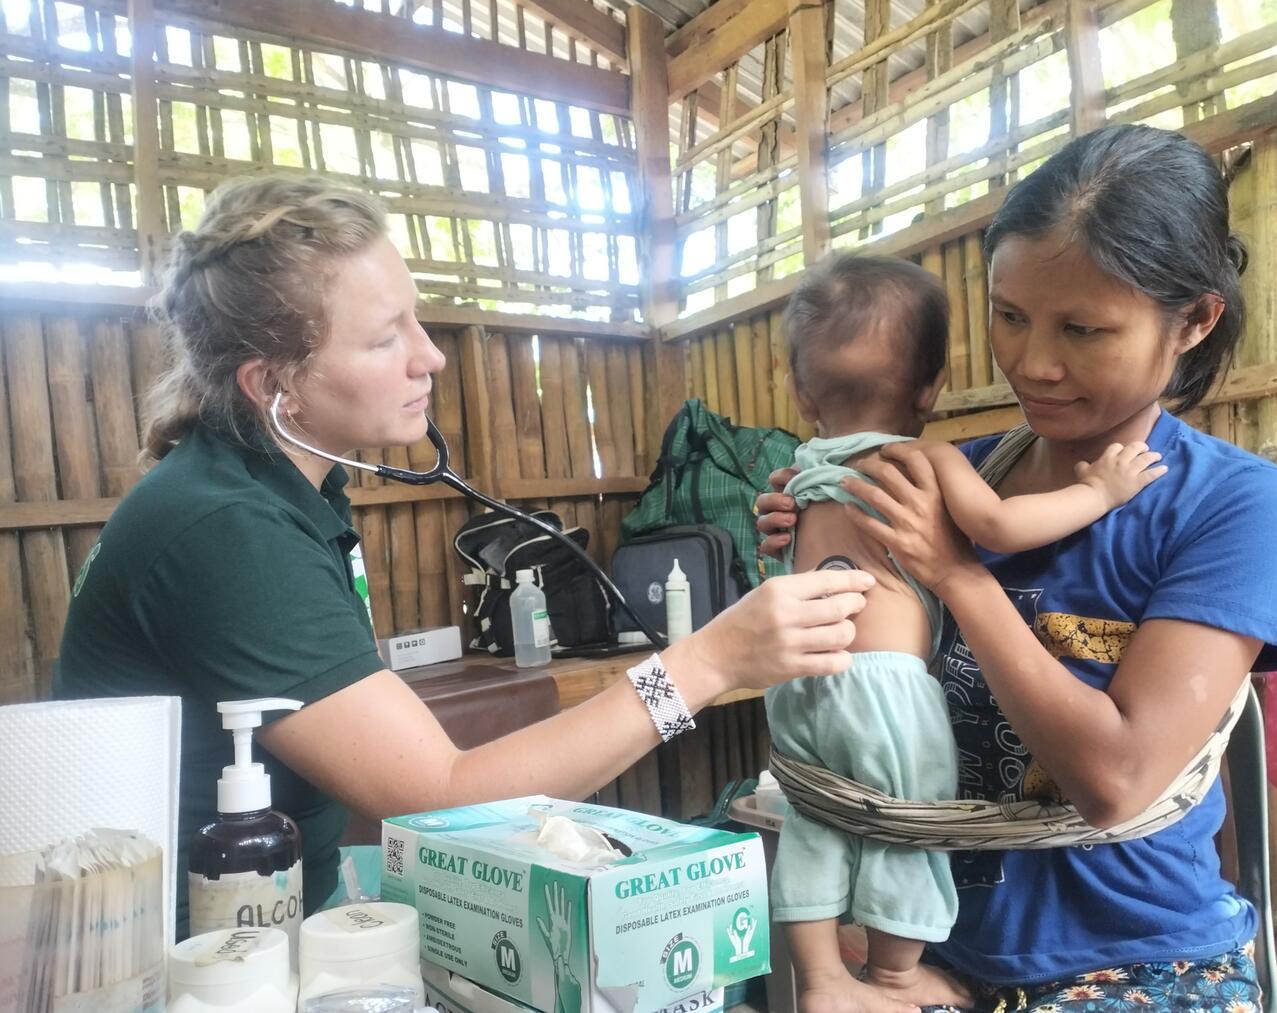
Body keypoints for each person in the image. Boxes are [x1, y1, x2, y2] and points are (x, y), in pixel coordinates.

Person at [52, 174, 876, 941]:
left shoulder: (280, 494)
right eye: (385, 339)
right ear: (276, 386)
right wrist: (705, 662)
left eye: (415, 318)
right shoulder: (226, 529)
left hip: (276, 917)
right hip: (191, 962)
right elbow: (436, 796)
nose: (432, 355)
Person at [757, 124, 1277, 1013]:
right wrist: (803, 541)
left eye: (1083, 329)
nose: (1032, 362)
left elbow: (1118, 780)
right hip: (925, 944)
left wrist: (961, 577)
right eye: (1008, 315)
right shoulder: (938, 470)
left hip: (1133, 959)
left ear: (1194, 321)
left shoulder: (1236, 508)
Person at [767, 252, 1164, 1012]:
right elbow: (1004, 525)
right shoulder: (922, 459)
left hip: (802, 675)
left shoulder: (803, 469)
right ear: (930, 388)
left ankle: (820, 980)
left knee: (814, 813)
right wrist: (1099, 490)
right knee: (906, 824)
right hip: (886, 689)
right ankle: (891, 975)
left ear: (799, 390)